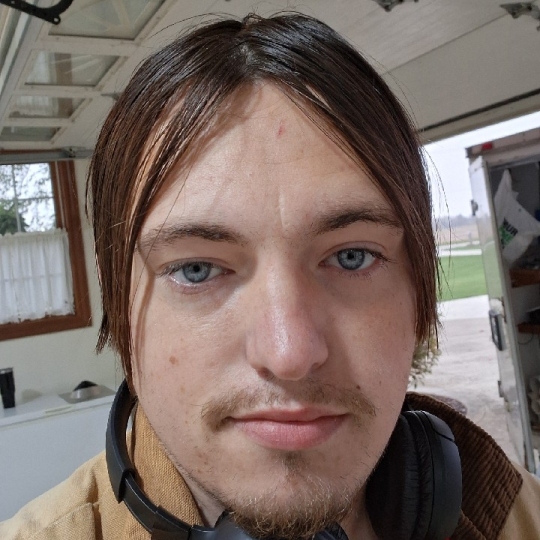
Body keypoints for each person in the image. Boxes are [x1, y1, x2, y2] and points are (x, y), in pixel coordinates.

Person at [2, 12, 540, 540]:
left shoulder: (518, 515)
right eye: (196, 269)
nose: (289, 354)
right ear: (116, 296)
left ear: (419, 288)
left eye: (353, 256)